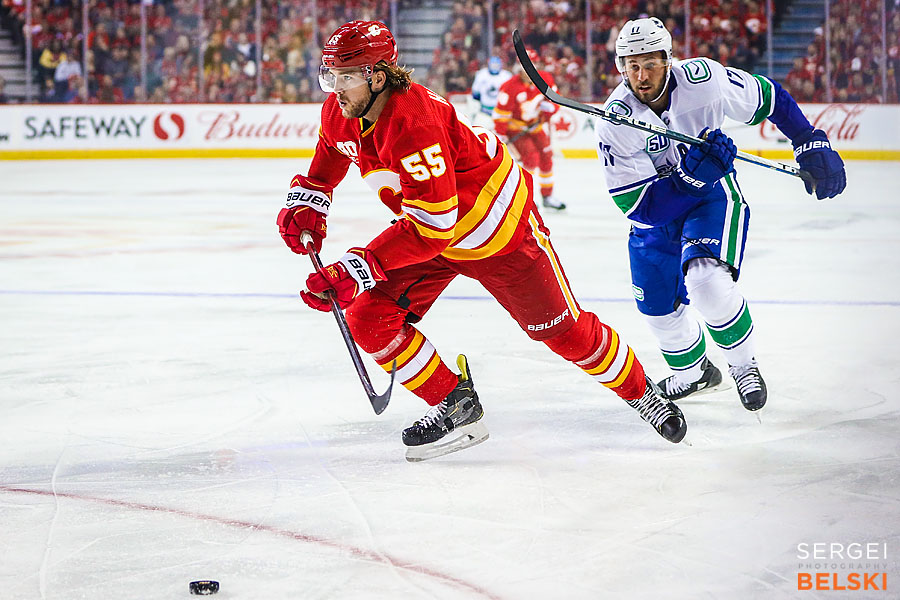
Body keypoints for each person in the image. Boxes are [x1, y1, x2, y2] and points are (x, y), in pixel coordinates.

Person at [277, 20, 688, 461]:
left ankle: (641, 392)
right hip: (428, 233)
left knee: (564, 333)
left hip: (498, 234)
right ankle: (456, 403)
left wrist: (357, 268)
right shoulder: (342, 110)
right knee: (368, 317)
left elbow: (434, 226)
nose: (336, 89)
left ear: (379, 76)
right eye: (330, 75)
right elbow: (329, 161)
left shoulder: (413, 122)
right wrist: (308, 204)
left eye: (348, 76)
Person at [594, 17, 846, 411]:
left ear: (669, 59)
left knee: (706, 282)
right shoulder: (615, 121)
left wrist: (806, 138)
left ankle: (743, 365)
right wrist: (687, 178)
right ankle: (695, 373)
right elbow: (639, 207)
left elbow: (768, 97)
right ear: (620, 67)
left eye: (651, 63)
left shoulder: (704, 81)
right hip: (656, 215)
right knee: (658, 312)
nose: (641, 76)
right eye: (632, 65)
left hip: (711, 197)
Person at [493, 49, 566, 211]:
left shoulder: (545, 78)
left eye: (531, 66)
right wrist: (501, 134)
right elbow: (501, 114)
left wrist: (551, 107)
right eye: (524, 66)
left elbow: (556, 99)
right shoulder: (509, 87)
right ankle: (526, 196)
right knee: (531, 158)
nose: (528, 70)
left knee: (546, 155)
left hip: (536, 126)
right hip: (516, 129)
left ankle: (547, 196)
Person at [470, 55, 511, 128]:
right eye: (493, 65)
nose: (494, 67)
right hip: (484, 113)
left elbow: (510, 95)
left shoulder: (506, 76)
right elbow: (475, 94)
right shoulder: (481, 74)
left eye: (496, 65)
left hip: (501, 114)